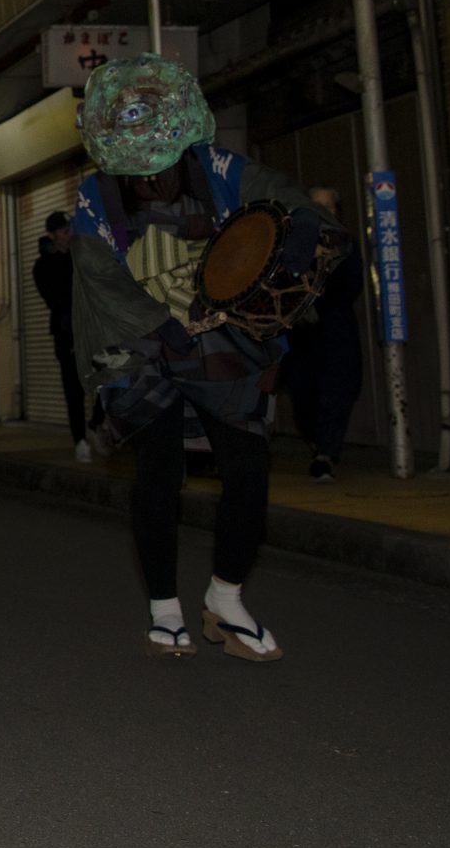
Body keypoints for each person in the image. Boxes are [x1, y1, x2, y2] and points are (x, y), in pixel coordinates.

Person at [69, 53, 341, 662]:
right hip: (139, 338)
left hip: (218, 332)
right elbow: (97, 276)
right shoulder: (95, 194)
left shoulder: (219, 167)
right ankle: (164, 607)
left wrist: (300, 229)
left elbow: (292, 200)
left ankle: (227, 596)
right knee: (159, 472)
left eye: (161, 166)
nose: (151, 180)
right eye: (137, 169)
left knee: (248, 466)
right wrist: (160, 326)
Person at [284, 186, 364, 481]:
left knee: (337, 390)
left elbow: (352, 285)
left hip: (335, 328)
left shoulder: (347, 245)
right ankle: (317, 443)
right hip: (302, 332)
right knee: (303, 392)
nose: (323, 213)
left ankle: (326, 454)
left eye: (328, 207)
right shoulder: (293, 244)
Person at [33, 209, 92, 461]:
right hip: (66, 331)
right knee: (74, 387)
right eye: (65, 231)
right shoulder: (44, 265)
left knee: (110, 374)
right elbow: (54, 299)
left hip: (90, 327)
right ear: (53, 234)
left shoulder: (82, 256)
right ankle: (80, 439)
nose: (69, 235)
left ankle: (99, 424)